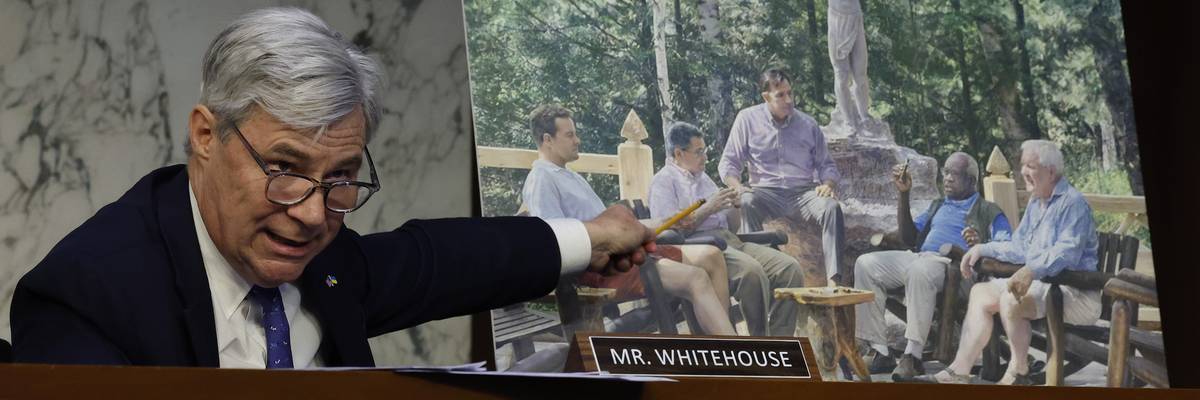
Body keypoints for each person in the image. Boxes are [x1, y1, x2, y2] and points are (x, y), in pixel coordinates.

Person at [10, 8, 654, 368]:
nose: (314, 215)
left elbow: (441, 261)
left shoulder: (327, 259)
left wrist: (593, 237)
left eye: (342, 178)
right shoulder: (85, 296)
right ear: (206, 135)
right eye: (285, 169)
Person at [522, 105, 735, 335]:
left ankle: (717, 343)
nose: (577, 140)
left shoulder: (569, 175)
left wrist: (665, 221)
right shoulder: (541, 179)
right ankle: (728, 353)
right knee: (696, 277)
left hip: (623, 252)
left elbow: (608, 226)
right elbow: (556, 242)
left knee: (711, 256)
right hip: (601, 268)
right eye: (570, 135)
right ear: (547, 140)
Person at [928, 140, 1100, 385]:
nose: (1023, 173)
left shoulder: (1073, 203)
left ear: (1051, 171)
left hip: (1075, 295)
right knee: (980, 292)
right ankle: (960, 371)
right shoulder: (1037, 202)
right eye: (1023, 166)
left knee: (1011, 297)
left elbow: (1067, 253)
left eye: (1030, 166)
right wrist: (981, 248)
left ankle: (1019, 371)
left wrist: (1031, 269)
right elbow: (1019, 247)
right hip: (1046, 288)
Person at [854, 152, 1012, 381]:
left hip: (954, 268)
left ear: (971, 181)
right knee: (866, 264)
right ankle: (880, 350)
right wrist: (903, 194)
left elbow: (1006, 245)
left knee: (920, 271)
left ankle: (913, 356)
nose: (947, 178)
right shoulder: (937, 206)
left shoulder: (988, 210)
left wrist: (981, 245)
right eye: (945, 172)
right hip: (920, 257)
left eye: (954, 174)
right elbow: (909, 237)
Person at [648, 122, 804, 337]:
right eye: (699, 152)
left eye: (705, 151)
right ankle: (760, 343)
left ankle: (779, 340)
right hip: (703, 246)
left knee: (790, 268)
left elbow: (731, 225)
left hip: (731, 240)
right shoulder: (664, 181)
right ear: (678, 153)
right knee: (752, 272)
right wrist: (709, 207)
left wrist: (735, 205)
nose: (705, 158)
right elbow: (669, 228)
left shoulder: (703, 179)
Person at [718, 67, 848, 284]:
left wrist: (828, 183)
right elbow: (729, 163)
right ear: (766, 97)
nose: (788, 99)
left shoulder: (808, 124)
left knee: (831, 207)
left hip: (803, 193)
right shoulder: (747, 119)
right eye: (781, 95)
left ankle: (834, 279)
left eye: (790, 93)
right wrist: (737, 186)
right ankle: (760, 276)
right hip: (765, 192)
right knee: (747, 201)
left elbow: (827, 165)